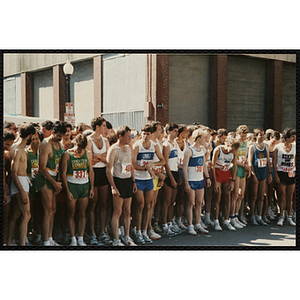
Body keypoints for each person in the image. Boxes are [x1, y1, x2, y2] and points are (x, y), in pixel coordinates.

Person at [131, 123, 165, 244]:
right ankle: (138, 231)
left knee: (149, 205)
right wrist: (146, 169)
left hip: (148, 179)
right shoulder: (136, 146)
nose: (145, 136)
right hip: (139, 178)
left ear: (151, 134)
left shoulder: (154, 145)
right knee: (140, 205)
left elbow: (163, 160)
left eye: (148, 134)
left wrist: (153, 165)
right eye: (143, 133)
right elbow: (133, 164)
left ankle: (145, 231)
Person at [35, 121, 66, 246]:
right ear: (52, 132)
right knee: (48, 210)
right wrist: (54, 183)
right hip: (44, 179)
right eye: (58, 135)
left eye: (62, 136)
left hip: (53, 178)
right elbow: (42, 168)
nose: (60, 138)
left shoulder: (59, 144)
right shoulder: (45, 144)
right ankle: (45, 240)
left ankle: (50, 237)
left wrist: (57, 181)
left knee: (53, 209)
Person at [106, 126, 138, 246]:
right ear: (120, 136)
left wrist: (133, 182)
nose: (130, 138)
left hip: (128, 181)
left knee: (127, 211)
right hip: (118, 181)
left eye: (130, 136)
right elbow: (108, 170)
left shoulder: (129, 148)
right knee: (117, 211)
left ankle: (126, 237)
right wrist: (113, 187)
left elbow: (131, 166)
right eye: (128, 136)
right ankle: (115, 239)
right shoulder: (113, 150)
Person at [60, 134, 94, 246]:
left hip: (84, 185)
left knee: (82, 213)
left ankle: (80, 238)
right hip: (72, 185)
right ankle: (73, 238)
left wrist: (92, 188)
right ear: (75, 143)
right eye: (79, 148)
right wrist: (67, 190)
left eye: (82, 148)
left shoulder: (87, 153)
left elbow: (91, 171)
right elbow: (63, 173)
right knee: (71, 213)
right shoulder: (67, 154)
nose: (80, 150)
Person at [7, 124, 36, 246]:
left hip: (23, 180)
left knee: (16, 214)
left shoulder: (20, 149)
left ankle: (8, 242)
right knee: (26, 214)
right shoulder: (17, 150)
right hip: (19, 182)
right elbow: (14, 173)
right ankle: (22, 244)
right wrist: (23, 191)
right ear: (29, 135)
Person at [86, 116, 111, 245]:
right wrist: (101, 157)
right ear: (97, 126)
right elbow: (89, 160)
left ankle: (101, 231)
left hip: (103, 173)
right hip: (93, 173)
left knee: (103, 203)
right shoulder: (88, 140)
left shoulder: (105, 140)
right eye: (103, 126)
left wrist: (98, 157)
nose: (105, 128)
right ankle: (92, 233)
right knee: (92, 204)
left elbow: (108, 158)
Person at [183, 128, 211, 235]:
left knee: (199, 203)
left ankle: (198, 224)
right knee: (191, 203)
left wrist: (207, 177)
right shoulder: (189, 150)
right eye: (204, 138)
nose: (206, 140)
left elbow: (204, 164)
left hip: (200, 180)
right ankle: (190, 225)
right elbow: (184, 168)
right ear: (198, 138)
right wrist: (186, 183)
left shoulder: (203, 150)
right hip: (191, 180)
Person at [211, 138, 239, 231]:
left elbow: (234, 165)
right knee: (217, 196)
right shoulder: (218, 150)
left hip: (227, 173)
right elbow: (212, 166)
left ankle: (227, 220)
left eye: (233, 150)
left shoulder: (234, 152)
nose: (232, 151)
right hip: (218, 173)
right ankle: (216, 221)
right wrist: (215, 182)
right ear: (227, 144)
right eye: (231, 149)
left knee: (227, 196)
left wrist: (233, 181)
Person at [248, 128, 272, 226]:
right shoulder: (252, 147)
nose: (262, 136)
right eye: (259, 135)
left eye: (263, 134)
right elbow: (249, 161)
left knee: (262, 196)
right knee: (254, 195)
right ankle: (252, 215)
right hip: (256, 172)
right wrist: (252, 174)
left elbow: (268, 162)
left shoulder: (266, 145)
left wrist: (270, 173)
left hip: (264, 172)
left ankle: (260, 216)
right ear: (255, 136)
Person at [273, 128, 296, 226]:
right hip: (281, 173)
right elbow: (274, 163)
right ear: (287, 137)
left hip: (291, 173)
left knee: (290, 197)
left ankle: (289, 216)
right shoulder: (278, 147)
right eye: (292, 137)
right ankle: (281, 216)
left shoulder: (295, 147)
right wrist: (276, 175)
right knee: (282, 196)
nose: (294, 138)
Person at [161, 123, 181, 236]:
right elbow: (166, 164)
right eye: (174, 131)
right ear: (168, 132)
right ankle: (164, 224)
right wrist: (172, 178)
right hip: (169, 174)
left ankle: (169, 222)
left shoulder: (175, 144)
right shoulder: (166, 145)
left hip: (175, 172)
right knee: (166, 202)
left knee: (172, 202)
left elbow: (176, 162)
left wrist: (178, 175)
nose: (176, 133)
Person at [229, 125, 251, 229]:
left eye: (245, 136)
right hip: (236, 168)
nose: (243, 138)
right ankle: (232, 217)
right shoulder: (235, 143)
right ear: (237, 134)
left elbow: (245, 157)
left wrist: (248, 167)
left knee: (241, 195)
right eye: (242, 136)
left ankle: (236, 216)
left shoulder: (245, 143)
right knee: (235, 195)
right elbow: (234, 159)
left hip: (243, 169)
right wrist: (244, 165)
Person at [148, 121, 165, 240]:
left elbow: (162, 161)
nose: (161, 132)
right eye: (159, 129)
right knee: (148, 204)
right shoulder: (150, 144)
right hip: (150, 177)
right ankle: (147, 228)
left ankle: (150, 227)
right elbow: (147, 164)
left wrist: (161, 175)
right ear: (154, 131)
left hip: (157, 176)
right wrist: (157, 172)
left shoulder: (158, 143)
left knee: (153, 203)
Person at [26, 131, 43, 245]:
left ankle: (39, 234)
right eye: (33, 139)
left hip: (41, 186)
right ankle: (26, 235)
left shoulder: (42, 152)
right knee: (29, 212)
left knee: (40, 211)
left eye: (37, 139)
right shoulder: (27, 153)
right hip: (30, 186)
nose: (35, 141)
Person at [175, 124, 189, 230]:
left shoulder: (186, 142)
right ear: (181, 133)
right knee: (175, 198)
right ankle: (173, 219)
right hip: (176, 170)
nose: (188, 133)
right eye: (186, 131)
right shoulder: (174, 143)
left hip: (185, 170)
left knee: (182, 198)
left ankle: (180, 219)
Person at [3, 131, 15, 246]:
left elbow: (7, 174)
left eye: (10, 145)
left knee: (5, 220)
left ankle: (6, 243)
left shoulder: (6, 155)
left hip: (5, 190)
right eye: (6, 144)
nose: (8, 147)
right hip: (4, 191)